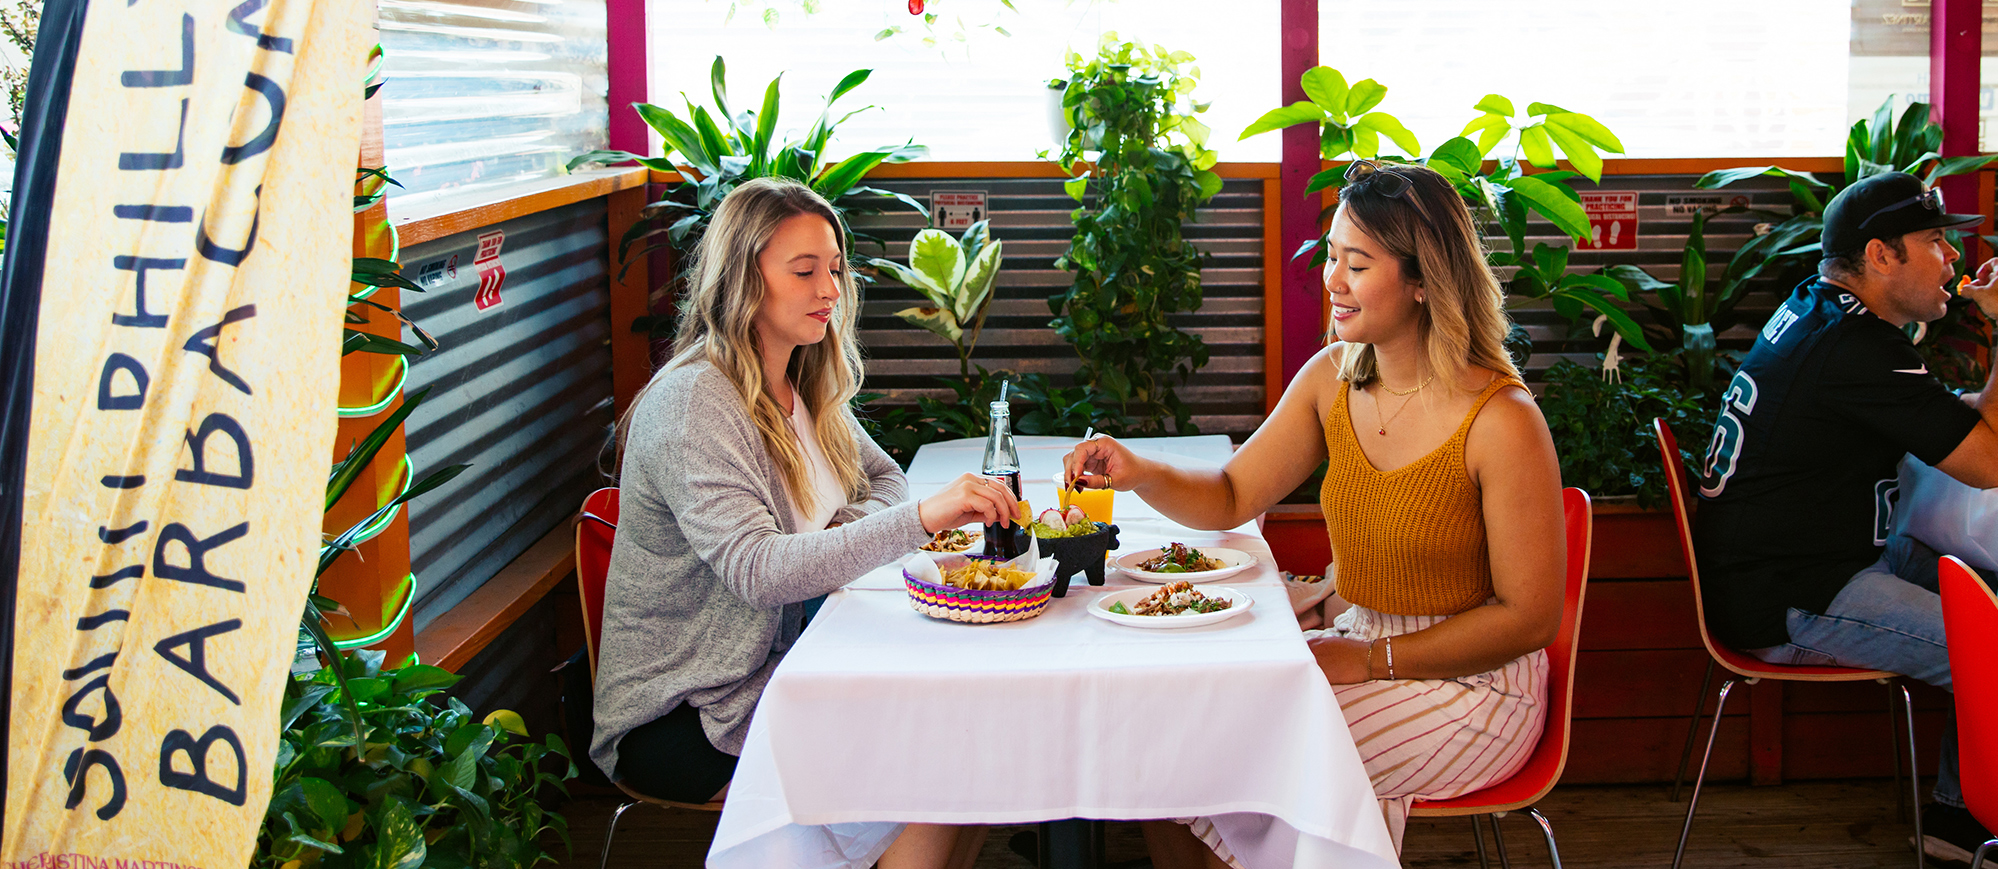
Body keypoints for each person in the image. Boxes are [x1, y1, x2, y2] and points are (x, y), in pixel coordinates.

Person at [1062, 160, 1565, 869]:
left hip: (1473, 688)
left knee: (1224, 763)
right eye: (1332, 257)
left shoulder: (1502, 420)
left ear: (1423, 281)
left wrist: (1372, 659)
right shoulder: (1333, 376)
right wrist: (1139, 470)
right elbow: (1232, 493)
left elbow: (1529, 618)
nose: (1332, 280)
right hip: (1356, 645)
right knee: (1177, 749)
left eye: (1357, 264)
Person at [589, 178, 1014, 869]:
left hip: (795, 664)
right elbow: (760, 571)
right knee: (941, 758)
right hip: (692, 710)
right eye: (804, 270)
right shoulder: (697, 401)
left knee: (970, 740)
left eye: (836, 270)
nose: (829, 289)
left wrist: (838, 532)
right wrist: (917, 521)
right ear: (742, 279)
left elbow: (886, 479)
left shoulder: (802, 379)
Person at [1692, 171, 1998, 866]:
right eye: (1935, 239)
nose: (1953, 257)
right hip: (1793, 592)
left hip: (1806, 562)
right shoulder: (1856, 346)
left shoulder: (1819, 309)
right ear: (1881, 255)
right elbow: (1994, 463)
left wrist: (1979, 405)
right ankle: (1976, 828)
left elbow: (1890, 405)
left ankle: (1961, 815)